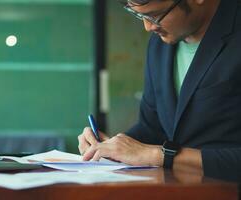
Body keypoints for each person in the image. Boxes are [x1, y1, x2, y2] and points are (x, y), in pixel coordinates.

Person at [78, 0, 241, 182]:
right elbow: (153, 128)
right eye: (140, 15)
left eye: (155, 15)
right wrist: (110, 148)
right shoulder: (159, 45)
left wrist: (160, 156)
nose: (148, 26)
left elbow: (154, 151)